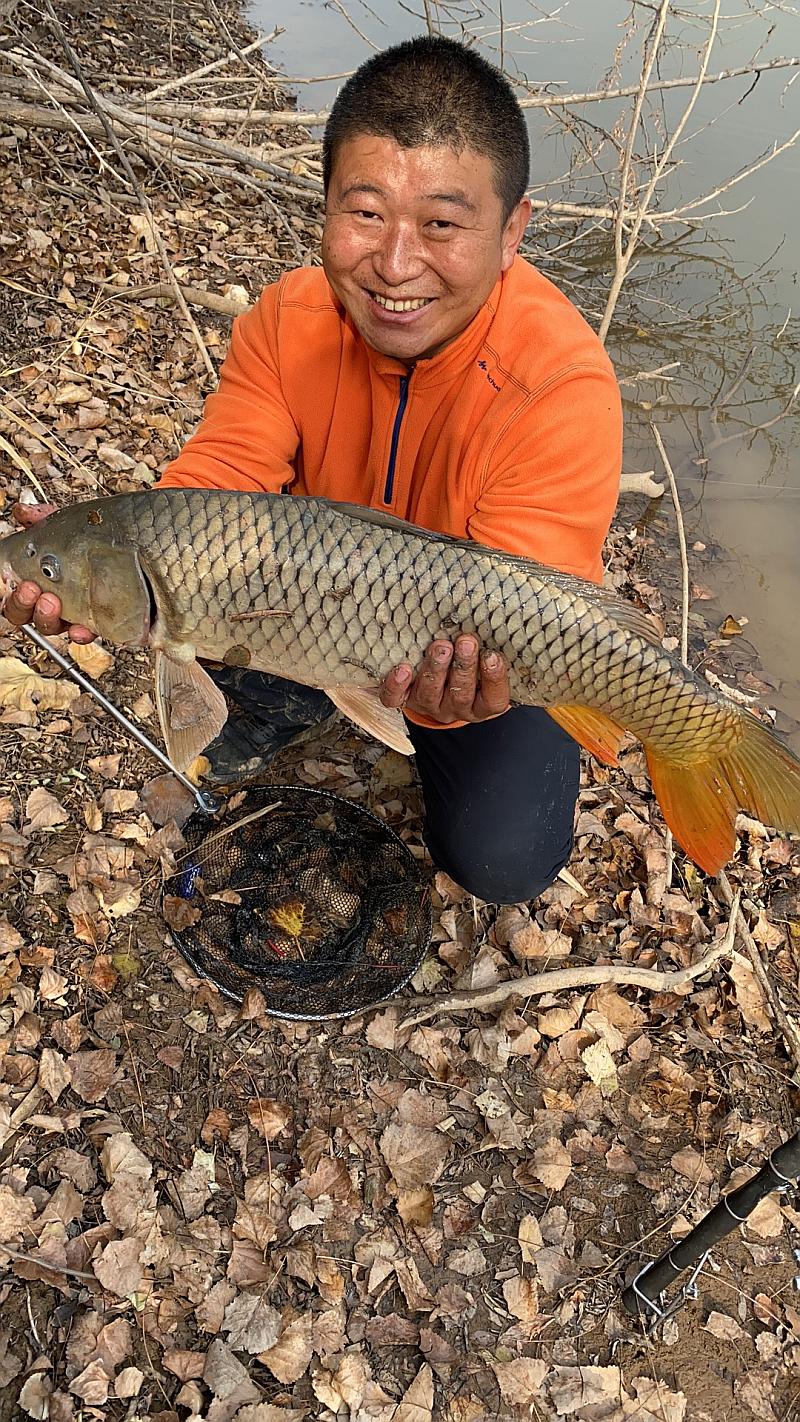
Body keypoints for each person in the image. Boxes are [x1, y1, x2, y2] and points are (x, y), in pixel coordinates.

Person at [3, 35, 622, 904]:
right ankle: (305, 693)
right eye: (365, 213)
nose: (396, 265)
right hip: (306, 595)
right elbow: (220, 478)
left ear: (513, 230)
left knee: (503, 859)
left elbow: (530, 595)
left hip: (475, 649)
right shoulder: (286, 319)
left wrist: (445, 696)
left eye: (442, 225)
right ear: (325, 203)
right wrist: (88, 556)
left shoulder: (560, 384)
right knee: (197, 612)